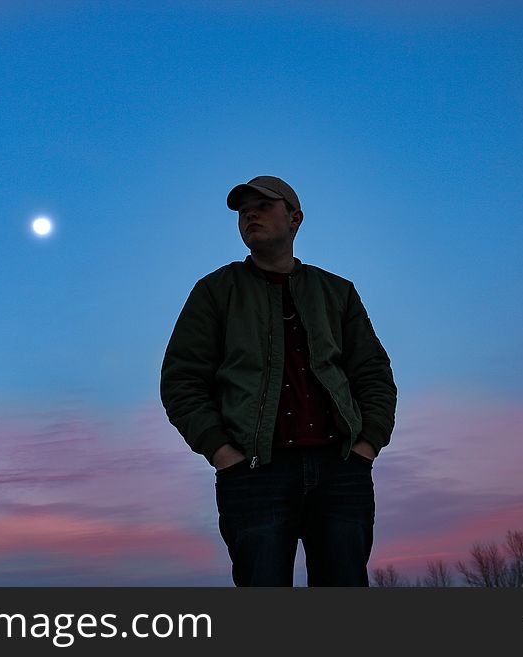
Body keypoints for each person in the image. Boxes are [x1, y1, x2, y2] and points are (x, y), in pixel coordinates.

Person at [160, 175, 397, 587]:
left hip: (341, 471)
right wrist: (222, 452)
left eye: (264, 205)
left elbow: (373, 373)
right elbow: (181, 380)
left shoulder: (337, 292)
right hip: (254, 474)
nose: (250, 213)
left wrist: (366, 445)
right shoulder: (215, 292)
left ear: (295, 218)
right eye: (242, 210)